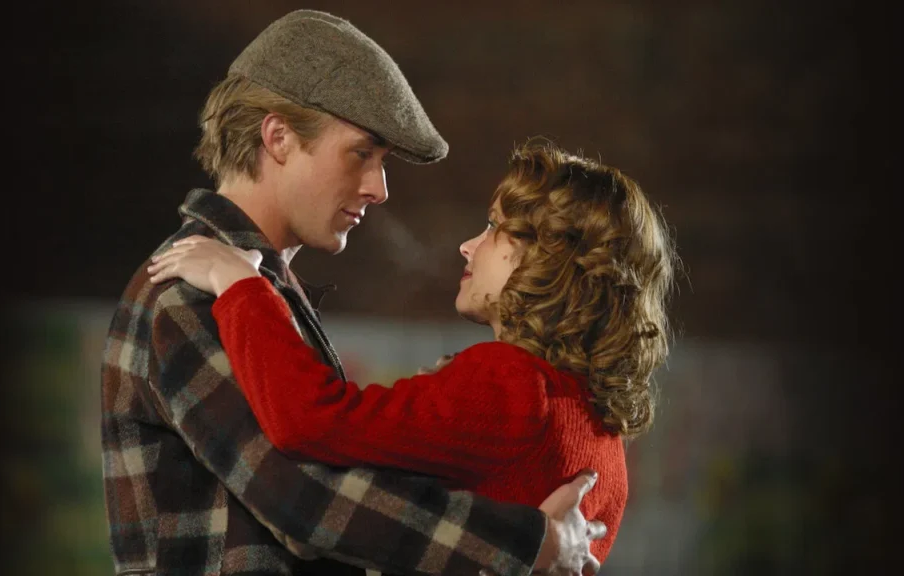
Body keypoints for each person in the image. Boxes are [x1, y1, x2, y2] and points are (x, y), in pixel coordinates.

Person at [102, 9, 605, 576]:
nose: (379, 188)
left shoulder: (252, 289)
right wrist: (530, 543)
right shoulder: (193, 292)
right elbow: (305, 500)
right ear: (278, 137)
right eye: (361, 154)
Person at [147, 139, 678, 566]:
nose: (469, 246)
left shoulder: (510, 381)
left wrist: (241, 285)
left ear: (552, 259)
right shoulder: (604, 436)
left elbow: (311, 421)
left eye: (495, 228)